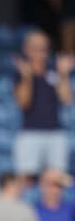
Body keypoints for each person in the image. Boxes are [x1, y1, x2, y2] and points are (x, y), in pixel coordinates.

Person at [13, 30, 74, 175]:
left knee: (57, 178)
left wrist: (64, 75)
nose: (42, 52)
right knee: (26, 177)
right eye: (37, 48)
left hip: (55, 132)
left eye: (45, 48)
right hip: (30, 132)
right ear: (27, 49)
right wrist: (27, 78)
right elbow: (22, 103)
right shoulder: (21, 73)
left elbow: (66, 99)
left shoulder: (55, 71)